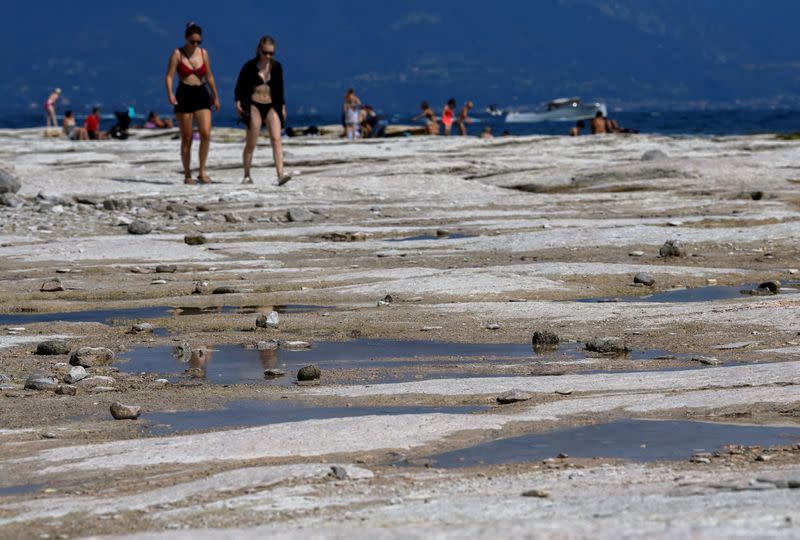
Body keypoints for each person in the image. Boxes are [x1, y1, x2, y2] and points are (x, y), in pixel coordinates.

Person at [165, 22, 221, 185]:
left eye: (198, 42)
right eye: (192, 41)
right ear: (186, 38)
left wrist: (215, 96)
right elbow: (169, 76)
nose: (195, 44)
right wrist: (170, 94)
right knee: (187, 137)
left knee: (205, 133)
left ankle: (202, 171)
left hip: (202, 94)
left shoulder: (204, 54)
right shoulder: (177, 54)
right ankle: (187, 174)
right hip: (184, 94)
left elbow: (209, 76)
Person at [235, 35, 291, 186]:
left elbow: (280, 88)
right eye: (265, 52)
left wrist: (283, 106)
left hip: (272, 105)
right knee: (251, 142)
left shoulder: (277, 67)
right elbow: (240, 86)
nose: (268, 56)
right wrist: (238, 102)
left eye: (271, 53)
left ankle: (280, 174)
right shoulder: (249, 66)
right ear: (259, 50)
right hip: (254, 104)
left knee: (276, 139)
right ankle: (247, 175)